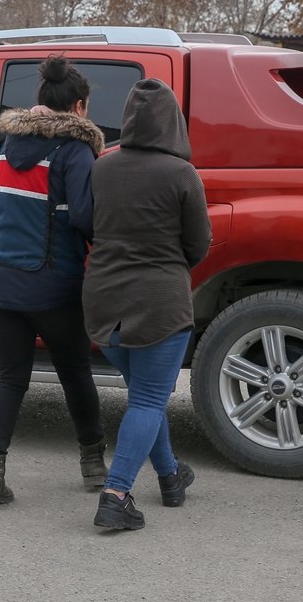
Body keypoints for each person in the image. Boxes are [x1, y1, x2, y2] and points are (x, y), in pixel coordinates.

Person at [0, 55, 107, 506]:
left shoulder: (9, 147)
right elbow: (85, 217)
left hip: (0, 282)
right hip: (52, 285)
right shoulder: (74, 150)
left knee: (11, 378)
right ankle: (93, 465)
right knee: (75, 373)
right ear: (80, 106)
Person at [82, 78, 211, 531]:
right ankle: (116, 495)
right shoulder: (180, 174)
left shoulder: (102, 167)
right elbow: (199, 244)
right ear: (173, 122)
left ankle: (171, 476)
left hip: (103, 301)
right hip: (159, 302)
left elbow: (86, 223)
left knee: (145, 399)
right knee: (151, 400)